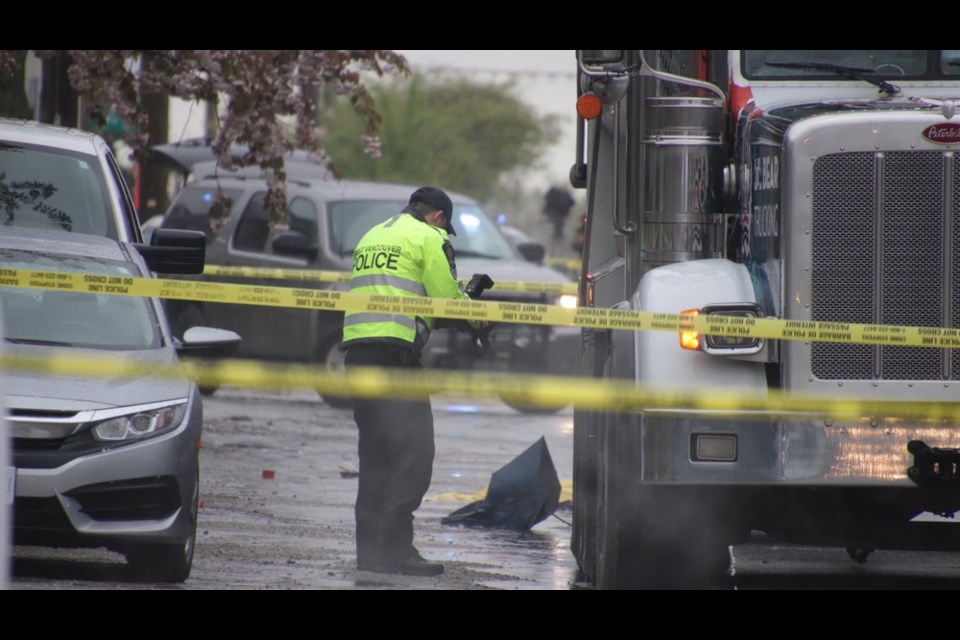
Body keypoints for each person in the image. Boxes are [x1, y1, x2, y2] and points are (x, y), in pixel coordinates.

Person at [342, 185, 484, 577]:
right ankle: (395, 551)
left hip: (357, 357)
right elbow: (446, 299)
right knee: (414, 455)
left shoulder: (374, 234)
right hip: (395, 361)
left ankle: (369, 552)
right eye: (445, 223)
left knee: (375, 458)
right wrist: (478, 318)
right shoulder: (428, 237)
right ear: (438, 216)